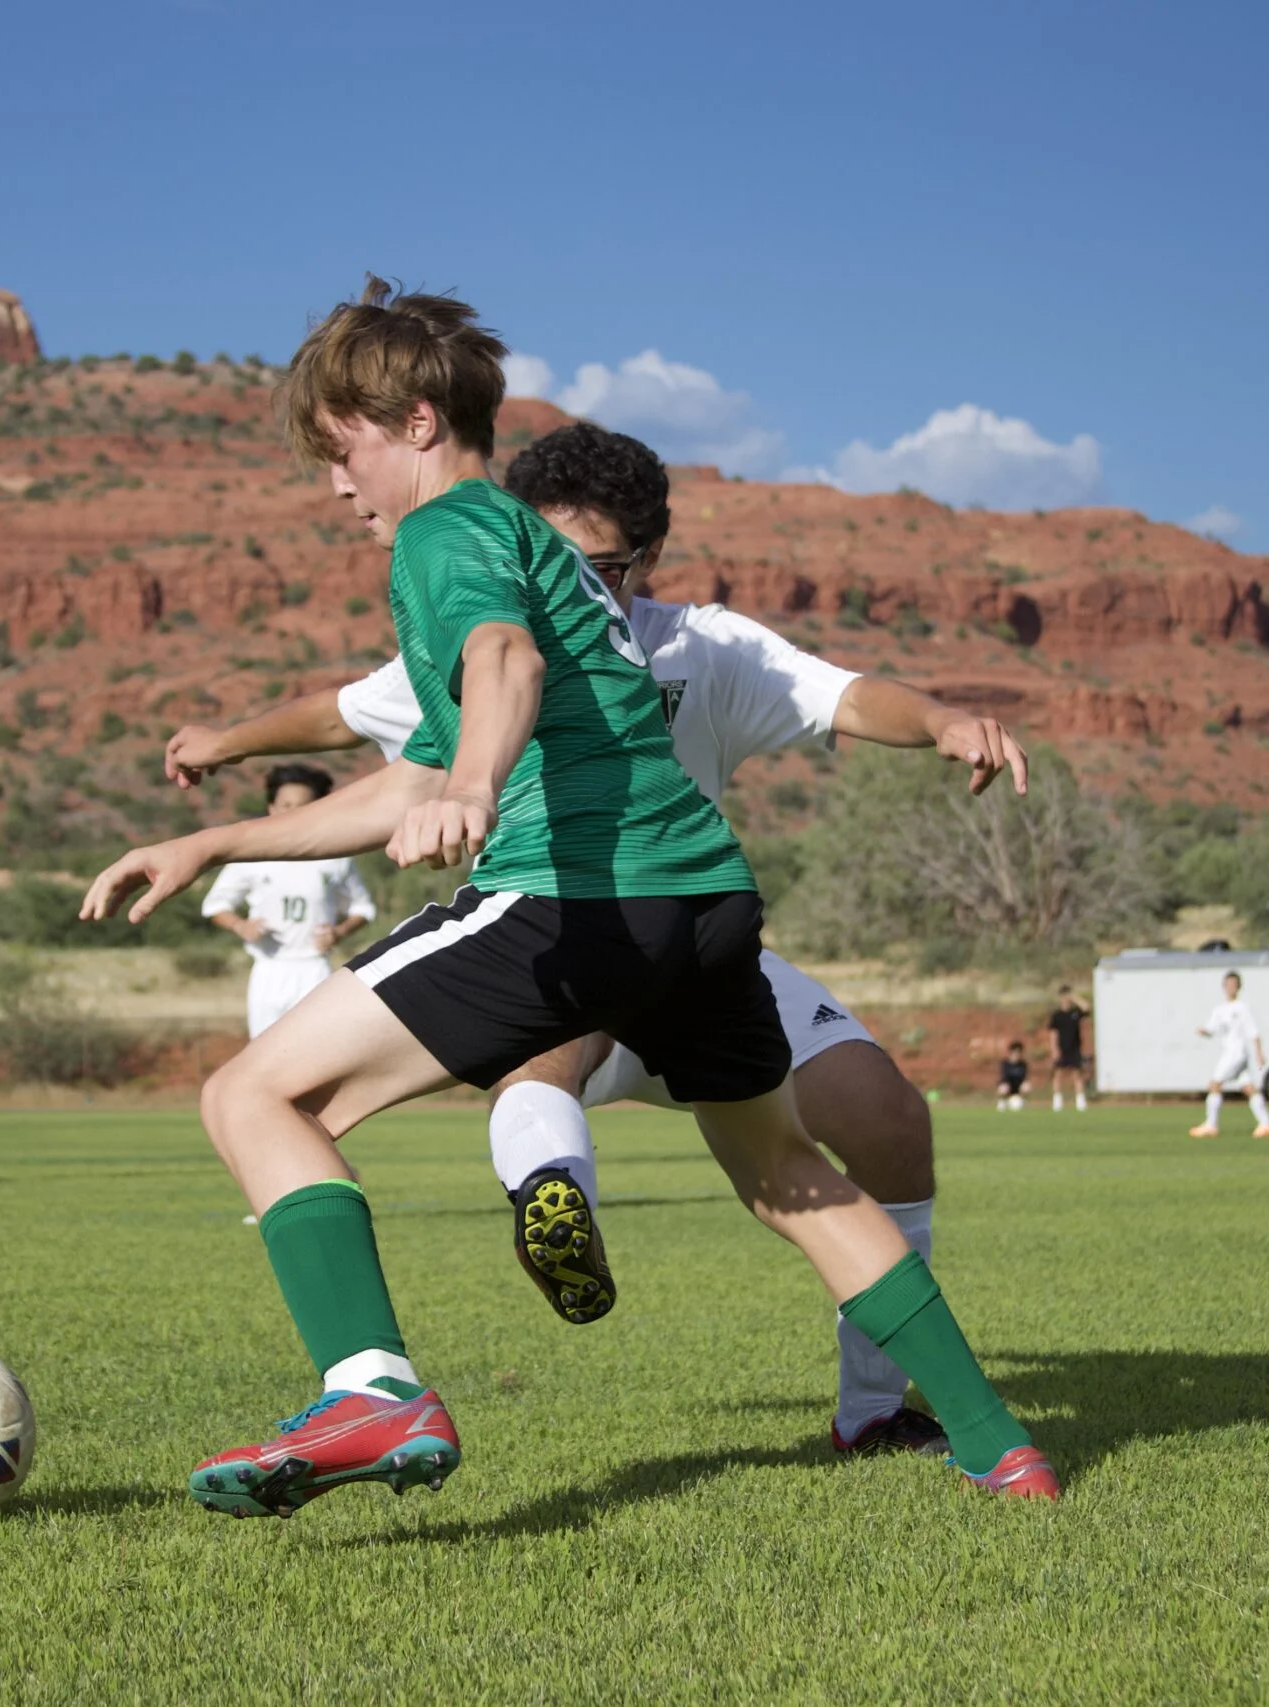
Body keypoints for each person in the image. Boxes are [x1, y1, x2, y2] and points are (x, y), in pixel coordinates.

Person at [80, 280, 1057, 1514]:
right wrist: (217, 841)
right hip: (703, 898)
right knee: (779, 1171)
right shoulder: (547, 549)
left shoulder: (446, 536)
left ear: (419, 421)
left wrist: (477, 790)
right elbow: (411, 771)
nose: (336, 484)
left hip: (575, 893)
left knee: (251, 1093)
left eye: (343, 449)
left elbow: (502, 665)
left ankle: (371, 1387)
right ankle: (996, 1445)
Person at [199, 764, 378, 1038]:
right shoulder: (252, 855)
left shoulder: (335, 855)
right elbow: (215, 905)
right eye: (286, 805)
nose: (293, 813)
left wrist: (339, 932)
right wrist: (241, 926)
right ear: (271, 807)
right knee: (264, 1055)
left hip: (314, 969)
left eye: (303, 806)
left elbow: (362, 908)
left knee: (316, 1052)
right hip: (269, 969)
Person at [1188, 971, 1269, 1138]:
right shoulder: (1220, 1010)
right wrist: (1204, 1031)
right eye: (1228, 985)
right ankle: (1266, 1123)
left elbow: (1253, 1032)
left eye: (1234, 985)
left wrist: (1259, 1053)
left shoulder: (1242, 1008)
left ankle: (1211, 1125)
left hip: (1236, 1053)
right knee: (1248, 1088)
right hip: (1229, 1051)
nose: (1230, 988)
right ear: (1223, 987)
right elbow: (1212, 1030)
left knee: (1214, 1084)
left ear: (1239, 987)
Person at [1045, 988, 1089, 1113]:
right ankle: (1057, 1102)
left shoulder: (1075, 1013)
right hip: (1061, 1049)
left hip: (1074, 1048)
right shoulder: (1057, 1015)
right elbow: (1053, 1033)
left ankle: (1080, 1102)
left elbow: (1086, 1007)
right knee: (1058, 1074)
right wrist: (1054, 1049)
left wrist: (1074, 997)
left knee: (1077, 1074)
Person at [997, 1041, 1029, 1112]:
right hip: (1008, 1087)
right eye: (1015, 1052)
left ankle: (1021, 1101)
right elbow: (1003, 1077)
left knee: (1026, 1086)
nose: (1017, 1054)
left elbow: (1024, 1077)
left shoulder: (1023, 1064)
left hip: (1018, 1087)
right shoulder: (1005, 1063)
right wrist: (1006, 1084)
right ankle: (1003, 1102)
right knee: (1003, 1088)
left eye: (1019, 1052)